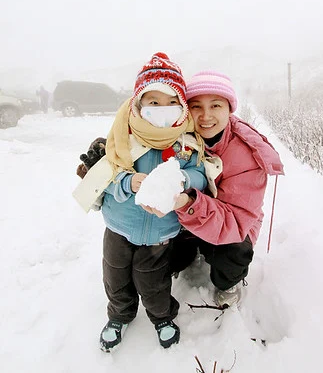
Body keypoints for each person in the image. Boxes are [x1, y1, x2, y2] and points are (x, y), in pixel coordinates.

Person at [73, 53, 207, 351]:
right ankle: (119, 315)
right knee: (116, 276)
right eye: (153, 102)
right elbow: (108, 174)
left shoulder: (186, 143)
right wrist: (127, 183)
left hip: (160, 232)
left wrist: (183, 180)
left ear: (182, 105)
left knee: (154, 281)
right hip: (119, 227)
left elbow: (200, 176)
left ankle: (162, 316)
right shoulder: (124, 137)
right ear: (138, 104)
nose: (162, 110)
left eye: (170, 102)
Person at [143, 70, 284, 308]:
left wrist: (188, 204)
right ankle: (185, 255)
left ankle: (229, 283)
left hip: (231, 228)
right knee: (161, 257)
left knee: (233, 253)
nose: (206, 116)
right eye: (196, 106)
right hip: (186, 220)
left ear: (230, 109)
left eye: (216, 105)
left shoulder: (246, 154)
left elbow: (235, 223)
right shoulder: (174, 136)